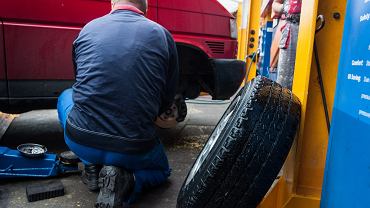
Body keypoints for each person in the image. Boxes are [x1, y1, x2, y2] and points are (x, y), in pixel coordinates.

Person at [57, 0, 179, 207]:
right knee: (161, 171)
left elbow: (80, 84)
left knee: (66, 95)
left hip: (81, 140)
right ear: (145, 7)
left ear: (113, 3)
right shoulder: (161, 34)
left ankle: (91, 164)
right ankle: (127, 180)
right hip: (134, 148)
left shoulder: (88, 28)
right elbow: (168, 94)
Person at [272, 0, 302, 89]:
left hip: (310, 26)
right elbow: (275, 4)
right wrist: (285, 7)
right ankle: (283, 100)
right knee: (285, 78)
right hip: (292, 26)